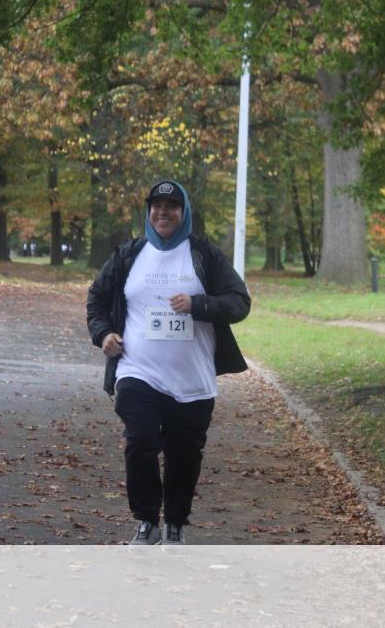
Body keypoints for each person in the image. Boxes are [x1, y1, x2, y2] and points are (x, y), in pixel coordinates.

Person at [86, 180, 251, 545]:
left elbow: (240, 303)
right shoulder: (130, 254)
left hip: (192, 378)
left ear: (183, 212)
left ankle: (175, 522)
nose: (163, 213)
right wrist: (103, 334)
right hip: (137, 369)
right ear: (148, 212)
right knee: (140, 441)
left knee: (184, 455)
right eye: (156, 206)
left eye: (171, 207)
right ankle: (146, 521)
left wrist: (198, 304)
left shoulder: (203, 255)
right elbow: (97, 298)